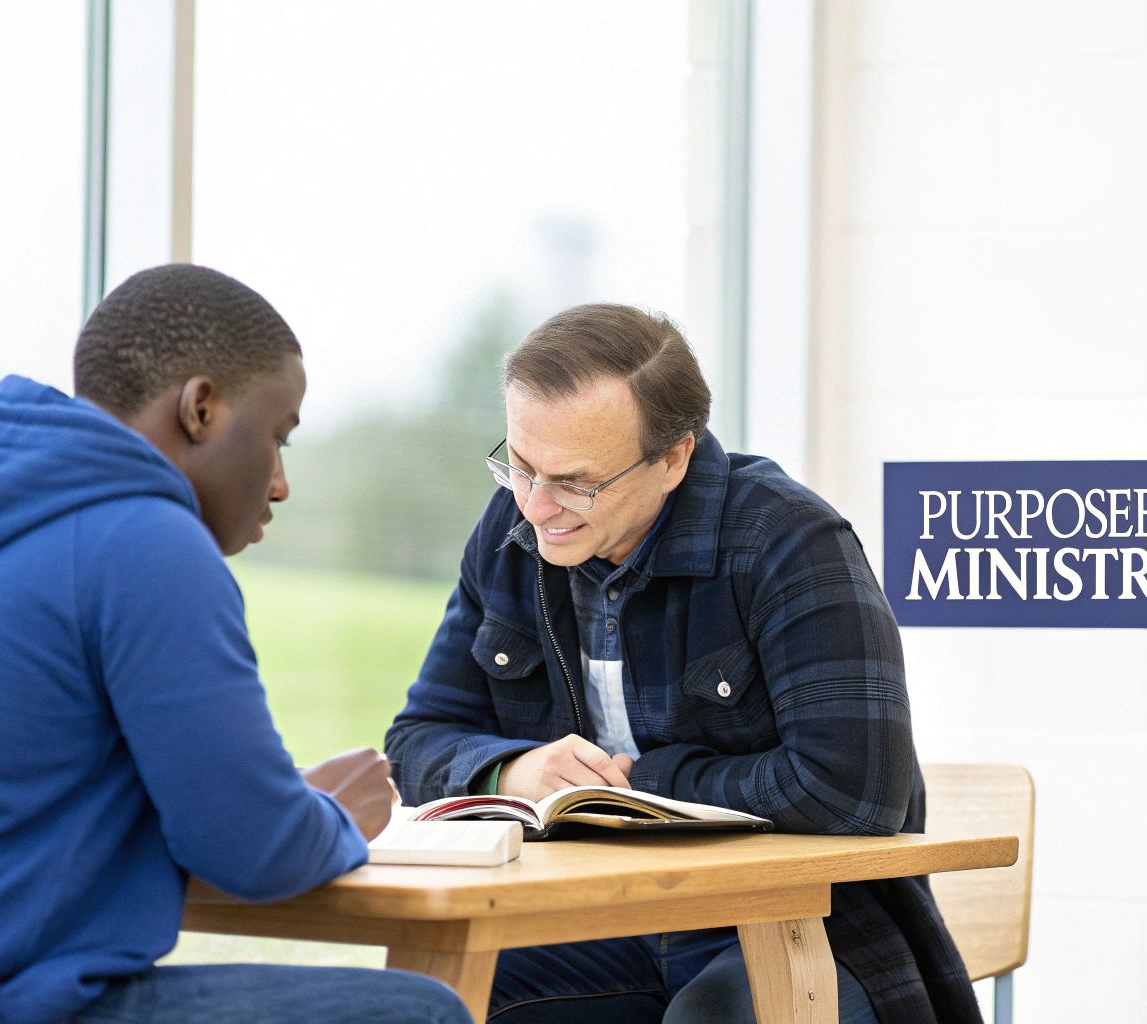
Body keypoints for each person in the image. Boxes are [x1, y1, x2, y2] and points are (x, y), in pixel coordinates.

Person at [0, 265, 470, 1024]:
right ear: (201, 409)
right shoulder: (145, 539)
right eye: (276, 436)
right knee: (422, 1013)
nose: (281, 482)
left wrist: (273, 807)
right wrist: (330, 817)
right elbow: (249, 848)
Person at [384, 303, 984, 1023]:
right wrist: (517, 772)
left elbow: (855, 792)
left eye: (575, 482)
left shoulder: (789, 540)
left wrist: (644, 789)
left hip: (790, 925)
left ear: (674, 458)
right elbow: (416, 740)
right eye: (518, 465)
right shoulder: (512, 532)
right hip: (596, 918)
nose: (537, 507)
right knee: (427, 1002)